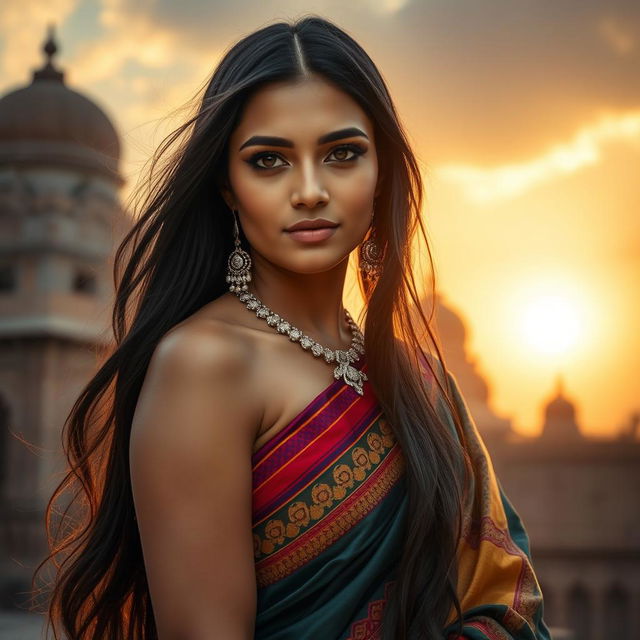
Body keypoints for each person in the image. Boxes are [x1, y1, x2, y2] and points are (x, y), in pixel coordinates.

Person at [34, 15, 551, 640]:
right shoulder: (205, 363)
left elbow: (500, 591)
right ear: (228, 185)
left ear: (381, 168)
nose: (309, 191)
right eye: (269, 160)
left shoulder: (413, 374)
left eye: (342, 153)